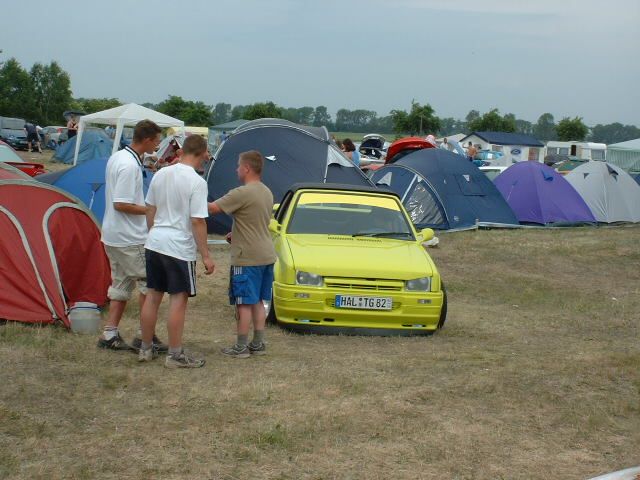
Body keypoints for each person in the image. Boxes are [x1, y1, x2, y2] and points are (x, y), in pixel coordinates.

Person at [138, 135, 215, 368]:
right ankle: (174, 354)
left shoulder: (161, 173)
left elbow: (149, 208)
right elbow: (198, 221)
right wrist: (206, 255)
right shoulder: (197, 182)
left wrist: (153, 233)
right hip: (178, 248)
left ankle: (145, 348)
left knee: (152, 296)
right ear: (201, 154)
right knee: (178, 299)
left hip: (155, 242)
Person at [98, 119, 165, 353]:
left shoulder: (120, 157)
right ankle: (145, 336)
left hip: (113, 235)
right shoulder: (128, 166)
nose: (157, 145)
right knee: (151, 283)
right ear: (146, 140)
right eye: (156, 141)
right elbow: (121, 203)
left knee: (121, 284)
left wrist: (147, 163)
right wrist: (149, 209)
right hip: (130, 237)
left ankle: (109, 334)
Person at [208, 150, 277, 358]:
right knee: (257, 301)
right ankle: (258, 343)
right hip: (266, 254)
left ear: (246, 168)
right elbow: (254, 221)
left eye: (238, 166)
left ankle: (240, 346)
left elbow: (212, 208)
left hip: (247, 257)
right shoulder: (266, 191)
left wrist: (184, 202)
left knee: (243, 302)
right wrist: (235, 232)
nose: (236, 169)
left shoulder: (242, 192)